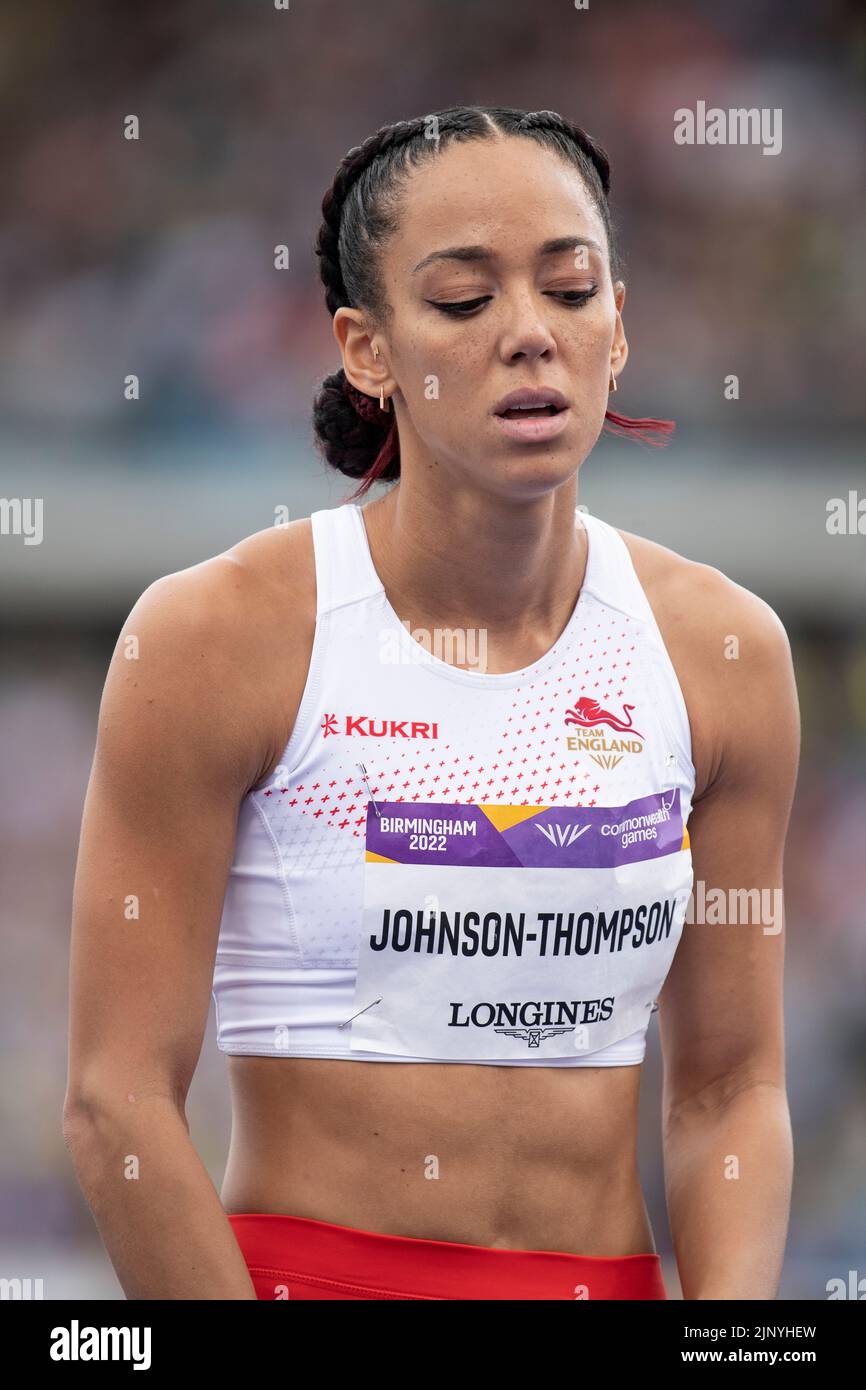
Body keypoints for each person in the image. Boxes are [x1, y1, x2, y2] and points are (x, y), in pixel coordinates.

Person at [63, 105, 799, 1300]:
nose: (528, 335)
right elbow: (116, 1101)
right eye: (463, 302)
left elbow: (729, 1088)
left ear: (619, 328)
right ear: (366, 349)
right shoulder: (219, 636)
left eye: (571, 290)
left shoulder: (721, 651)